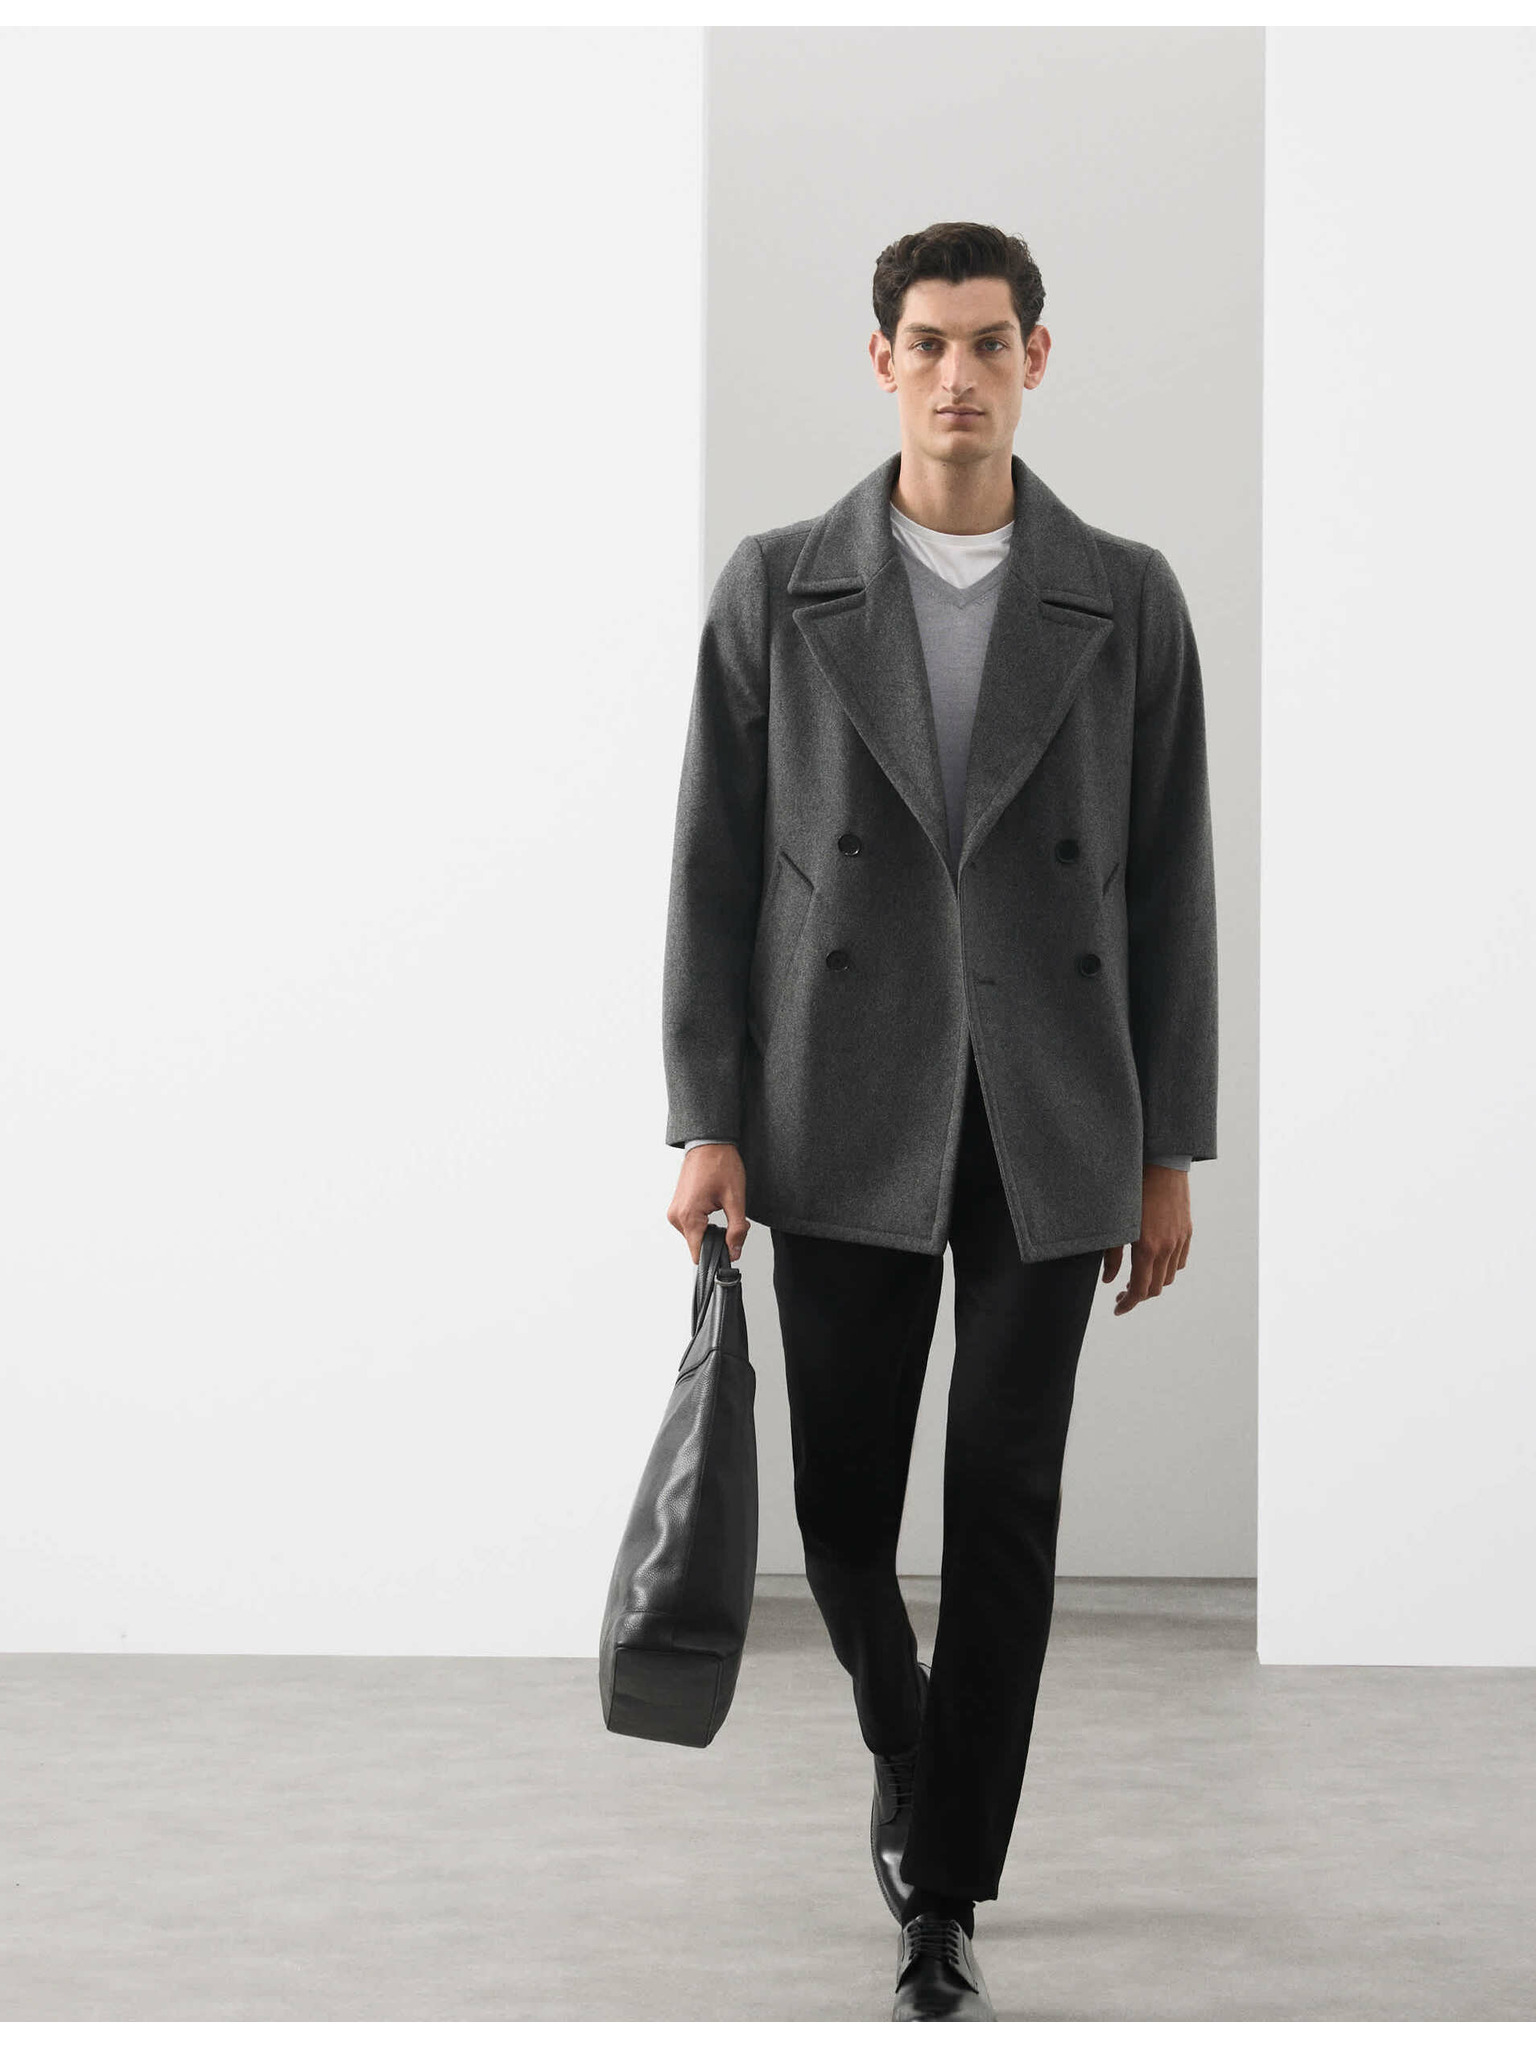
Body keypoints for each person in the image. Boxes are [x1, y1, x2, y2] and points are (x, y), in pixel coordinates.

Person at [661, 220, 1218, 2023]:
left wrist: (1169, 1146)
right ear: (882, 360)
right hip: (840, 1097)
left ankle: (948, 1887)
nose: (959, 374)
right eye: (929, 342)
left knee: (1006, 1507)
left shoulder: (1126, 596)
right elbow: (713, 868)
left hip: (1055, 1105)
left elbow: (1171, 884)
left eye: (991, 342)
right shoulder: (778, 587)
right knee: (836, 1514)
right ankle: (906, 1743)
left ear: (1037, 359)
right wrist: (707, 1115)